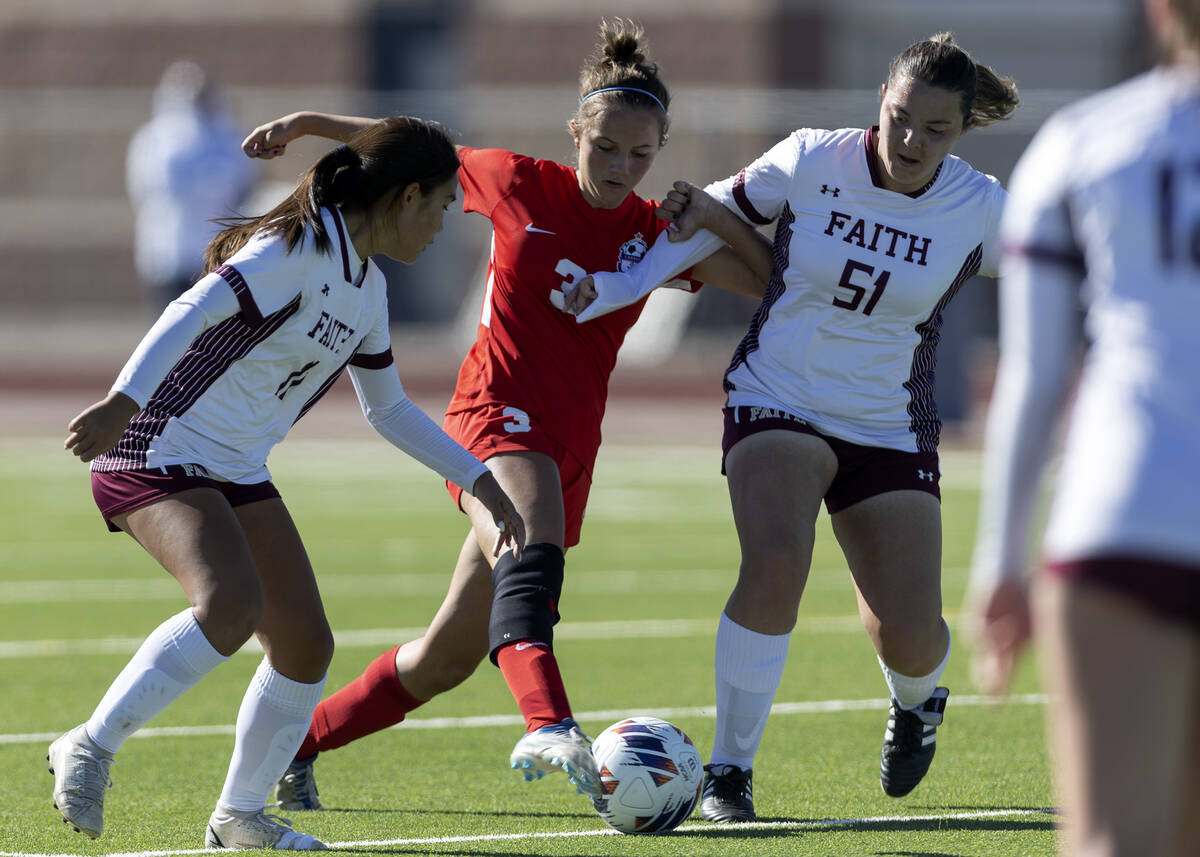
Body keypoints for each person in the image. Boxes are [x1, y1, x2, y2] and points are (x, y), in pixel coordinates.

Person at [240, 19, 769, 810]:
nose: (621, 168)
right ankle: (550, 721)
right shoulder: (518, 180)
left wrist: (717, 215)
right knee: (528, 535)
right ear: (575, 133)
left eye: (641, 154)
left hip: (570, 448)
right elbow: (406, 147)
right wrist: (312, 125)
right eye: (606, 148)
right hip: (492, 416)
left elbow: (767, 279)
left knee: (445, 656)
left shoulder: (654, 234)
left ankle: (295, 744)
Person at [562, 32, 1020, 823]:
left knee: (911, 635)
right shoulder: (811, 157)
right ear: (882, 96)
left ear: (964, 130)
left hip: (888, 423)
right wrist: (612, 287)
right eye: (900, 117)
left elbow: (1075, 261)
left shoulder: (979, 207)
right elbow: (701, 220)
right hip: (777, 394)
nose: (910, 140)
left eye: (935, 130)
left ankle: (917, 701)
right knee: (776, 561)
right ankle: (729, 774)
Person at [51, 116, 525, 851]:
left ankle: (238, 815)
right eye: (441, 204)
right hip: (154, 447)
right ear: (405, 197)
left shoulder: (367, 289)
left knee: (305, 646)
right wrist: (123, 401)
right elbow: (192, 307)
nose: (444, 223)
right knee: (230, 602)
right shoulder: (297, 249)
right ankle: (89, 744)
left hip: (233, 469)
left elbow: (390, 410)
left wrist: (479, 480)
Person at [965, 1, 1200, 853]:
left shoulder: (1085, 140)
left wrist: (1000, 562)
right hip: (1122, 519)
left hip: (1121, 514)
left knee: (1118, 840)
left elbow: (1033, 374)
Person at [127, 60, 258, 317]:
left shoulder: (229, 137)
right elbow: (147, 192)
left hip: (218, 255)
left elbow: (245, 187)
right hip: (170, 255)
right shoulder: (153, 140)